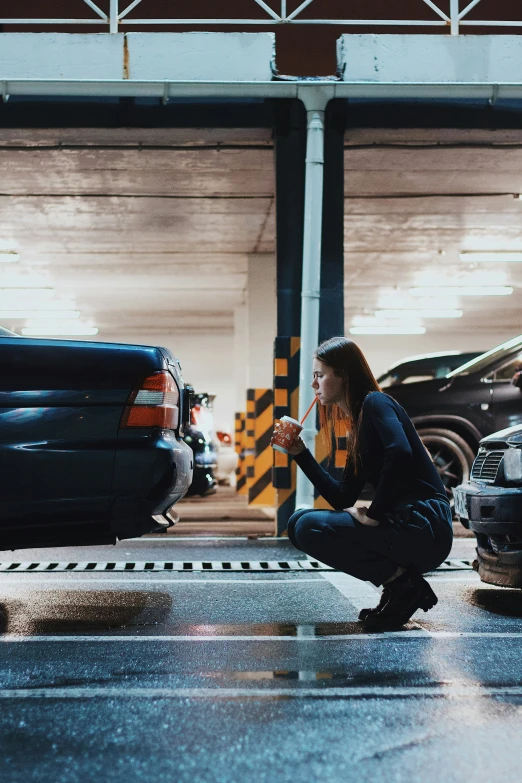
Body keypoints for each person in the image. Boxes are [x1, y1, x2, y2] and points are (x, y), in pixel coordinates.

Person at [276, 336, 453, 631]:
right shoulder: (359, 423)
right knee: (298, 523)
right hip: (409, 525)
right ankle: (398, 585)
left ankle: (403, 586)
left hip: (426, 526)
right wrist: (300, 454)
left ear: (343, 374)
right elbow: (342, 497)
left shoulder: (375, 401)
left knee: (309, 526)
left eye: (320, 375)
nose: (314, 384)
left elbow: (400, 451)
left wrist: (374, 514)